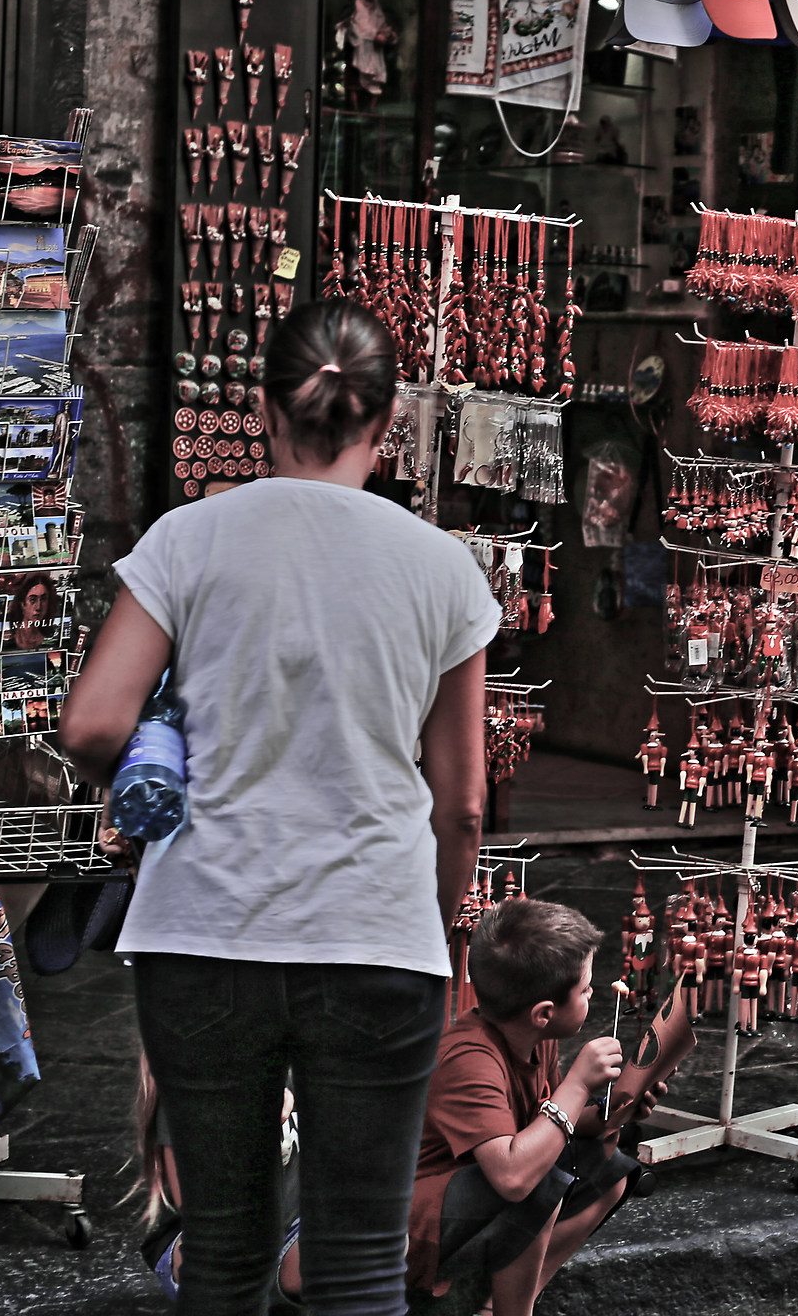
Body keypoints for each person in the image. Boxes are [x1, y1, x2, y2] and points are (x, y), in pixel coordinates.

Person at [60, 300, 501, 1316]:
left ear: (264, 410)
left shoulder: (189, 539)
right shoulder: (442, 568)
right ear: (388, 421)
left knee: (224, 1255)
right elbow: (465, 805)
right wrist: (431, 925)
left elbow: (91, 725)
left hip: (204, 931)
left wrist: (154, 767)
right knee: (359, 1266)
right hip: (376, 937)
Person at [407, 901, 662, 1316]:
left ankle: (495, 1304)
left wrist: (615, 1110)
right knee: (539, 1184)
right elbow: (512, 1177)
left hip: (487, 1184)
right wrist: (578, 1083)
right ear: (544, 1013)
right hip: (420, 1221)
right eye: (585, 990)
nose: (592, 994)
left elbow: (553, 1121)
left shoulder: (537, 1038)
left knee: (609, 1168)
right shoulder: (468, 1059)